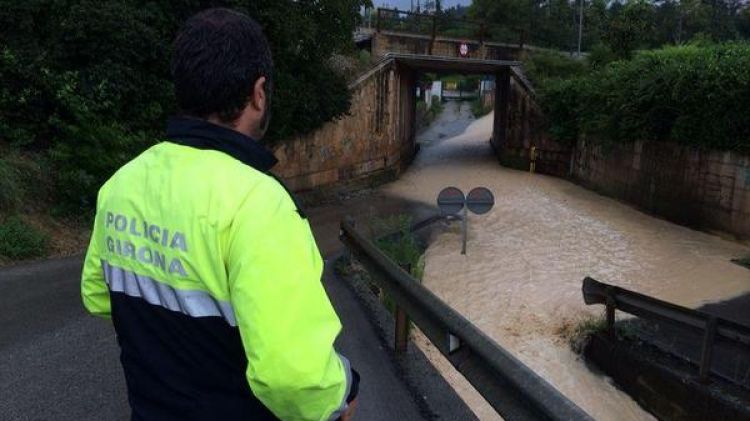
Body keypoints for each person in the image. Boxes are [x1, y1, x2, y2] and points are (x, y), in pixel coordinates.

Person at [80, 8, 359, 421]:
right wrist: (342, 395)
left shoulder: (123, 183)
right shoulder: (259, 202)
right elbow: (294, 377)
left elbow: (99, 296)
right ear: (259, 92)